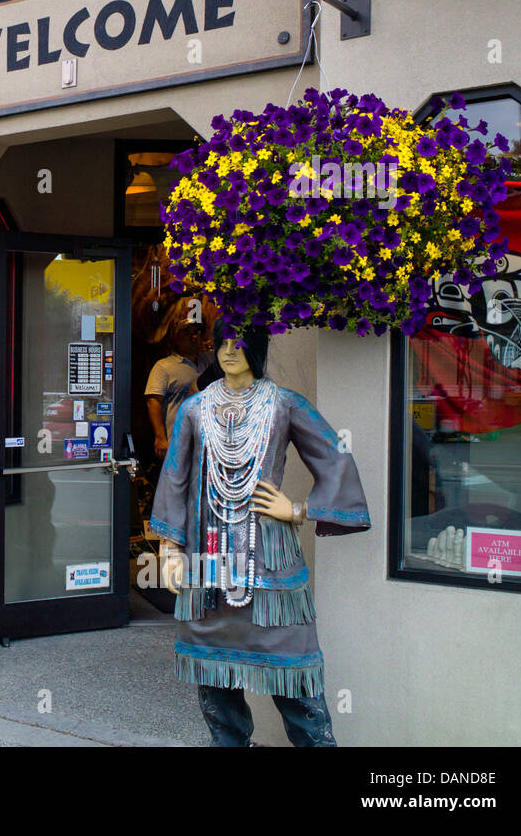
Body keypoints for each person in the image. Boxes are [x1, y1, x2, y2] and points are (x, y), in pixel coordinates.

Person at [151, 321, 370, 746]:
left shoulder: (285, 404)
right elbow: (174, 476)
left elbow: (335, 457)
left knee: (294, 678)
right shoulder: (195, 409)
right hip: (208, 561)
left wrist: (299, 508)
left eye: (239, 343)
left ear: (257, 347)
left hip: (270, 562)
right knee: (215, 684)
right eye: (222, 343)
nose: (229, 351)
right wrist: (169, 545)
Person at [145, 302, 211, 460]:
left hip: (209, 441)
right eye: (188, 332)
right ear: (176, 336)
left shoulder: (210, 361)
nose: (194, 336)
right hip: (179, 442)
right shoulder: (164, 367)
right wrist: (160, 438)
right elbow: (153, 401)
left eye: (197, 332)